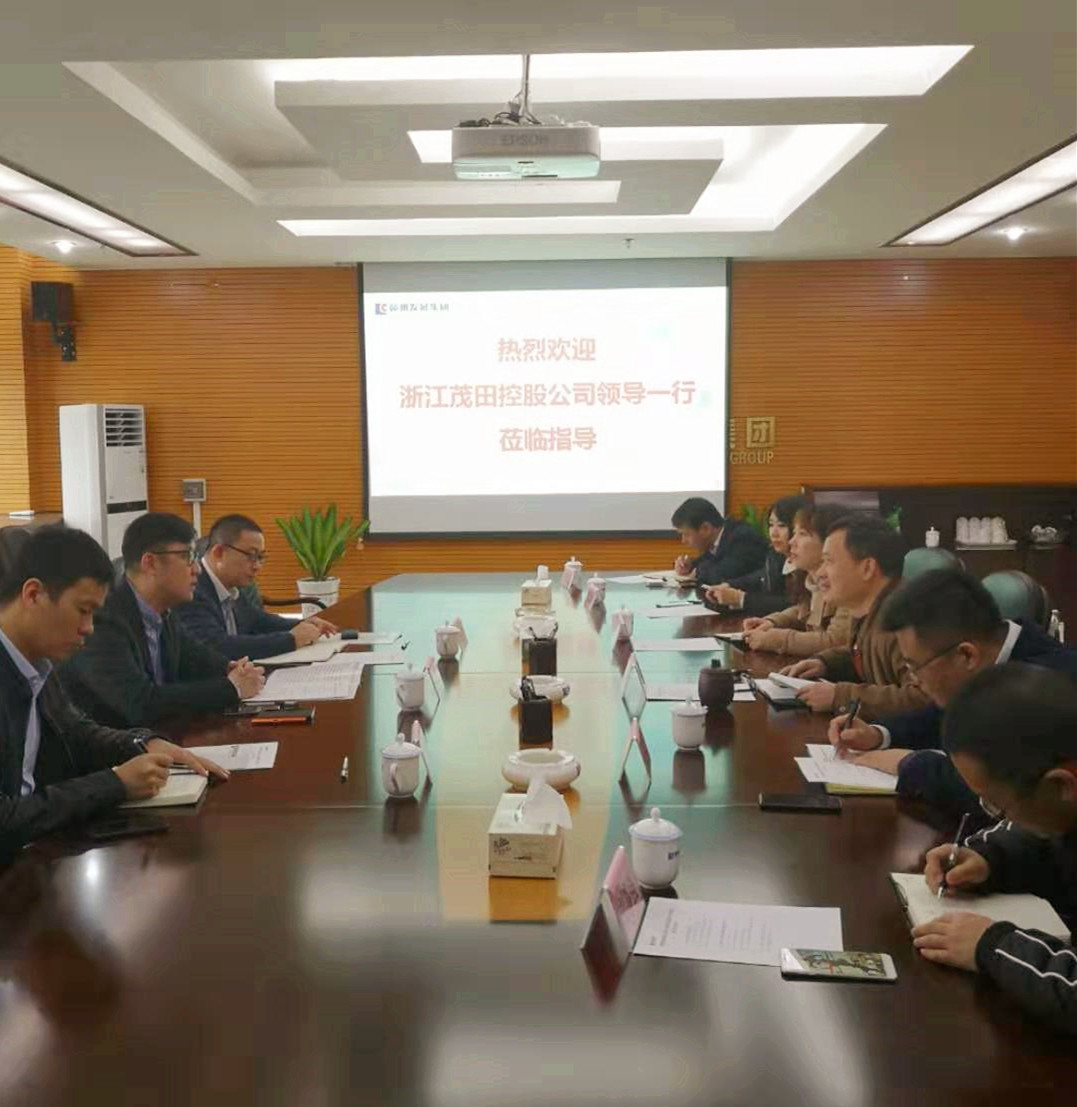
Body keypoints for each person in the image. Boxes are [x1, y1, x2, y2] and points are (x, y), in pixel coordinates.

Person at [0, 526, 227, 860]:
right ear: (33, 595)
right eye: (83, 610)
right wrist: (115, 783)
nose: (89, 628)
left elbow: (76, 732)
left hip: (35, 856)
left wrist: (143, 743)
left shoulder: (38, 663)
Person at [827, 569, 1077, 823]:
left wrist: (909, 764)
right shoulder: (989, 656)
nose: (914, 679)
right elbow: (942, 713)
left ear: (966, 655)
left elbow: (997, 791)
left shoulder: (1048, 685)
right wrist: (878, 734)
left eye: (915, 667)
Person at [911, 664, 1076, 1034]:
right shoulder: (1063, 795)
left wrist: (993, 945)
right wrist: (990, 857)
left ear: (1061, 786)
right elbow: (1050, 837)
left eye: (996, 804)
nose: (997, 816)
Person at [61, 513, 265, 729]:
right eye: (188, 557)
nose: (197, 569)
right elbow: (140, 703)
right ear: (150, 563)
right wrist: (232, 688)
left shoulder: (163, 612)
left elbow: (194, 656)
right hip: (117, 745)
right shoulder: (102, 620)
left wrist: (229, 668)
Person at [781, 513, 929, 719]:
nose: (820, 573)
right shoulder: (869, 610)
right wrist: (826, 664)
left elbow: (924, 698)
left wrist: (842, 696)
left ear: (867, 568)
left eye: (829, 561)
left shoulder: (907, 621)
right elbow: (864, 654)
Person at [174, 514, 337, 661]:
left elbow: (259, 621)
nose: (257, 566)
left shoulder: (232, 587)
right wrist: (291, 640)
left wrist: (303, 624)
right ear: (219, 553)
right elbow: (217, 646)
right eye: (251, 556)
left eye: (261, 557)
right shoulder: (192, 589)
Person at [738, 502, 853, 656]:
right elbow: (804, 610)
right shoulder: (811, 580)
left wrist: (776, 639)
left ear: (829, 542)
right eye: (794, 533)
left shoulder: (848, 585)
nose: (792, 541)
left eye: (802, 534)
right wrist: (772, 622)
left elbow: (835, 642)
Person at [702, 494, 809, 616]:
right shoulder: (776, 555)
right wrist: (728, 586)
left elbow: (793, 605)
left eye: (781, 525)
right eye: (771, 525)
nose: (774, 533)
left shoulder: (808, 564)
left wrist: (741, 599)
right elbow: (760, 577)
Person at [670, 498, 768, 587]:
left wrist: (697, 571)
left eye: (686, 534)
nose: (683, 541)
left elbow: (722, 575)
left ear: (705, 528)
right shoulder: (718, 540)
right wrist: (689, 566)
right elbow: (708, 562)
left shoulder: (742, 537)